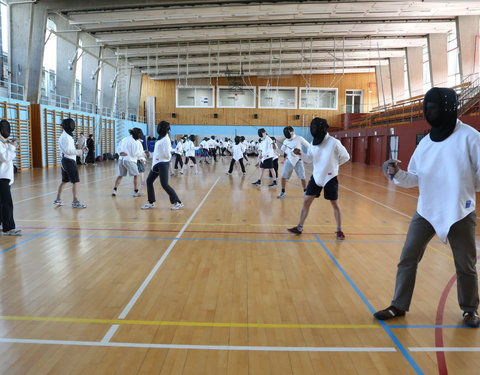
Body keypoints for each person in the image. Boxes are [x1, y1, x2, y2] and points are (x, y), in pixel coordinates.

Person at [373, 87, 480, 328]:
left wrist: (460, 184)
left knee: (465, 265)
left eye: (432, 107)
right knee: (407, 258)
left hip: (459, 212)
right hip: (427, 211)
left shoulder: (470, 137)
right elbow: (414, 178)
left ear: (447, 108)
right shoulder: (426, 142)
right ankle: (398, 305)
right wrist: (396, 174)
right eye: (426, 107)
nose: (428, 112)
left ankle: (470, 310)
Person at [287, 118, 349, 239]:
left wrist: (334, 166)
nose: (314, 129)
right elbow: (309, 159)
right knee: (306, 201)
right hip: (316, 177)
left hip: (330, 177)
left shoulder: (334, 142)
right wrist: (300, 153)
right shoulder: (312, 143)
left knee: (334, 204)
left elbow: (346, 157)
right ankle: (299, 227)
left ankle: (339, 230)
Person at [141, 121, 183, 210]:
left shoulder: (166, 140)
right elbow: (158, 152)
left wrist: (159, 158)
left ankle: (178, 202)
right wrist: (151, 154)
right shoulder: (161, 138)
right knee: (149, 181)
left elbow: (168, 155)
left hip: (162, 164)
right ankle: (151, 202)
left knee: (164, 184)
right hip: (156, 163)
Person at [54, 118, 87, 208]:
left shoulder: (66, 136)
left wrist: (80, 151)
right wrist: (80, 151)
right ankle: (75, 202)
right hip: (69, 161)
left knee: (64, 181)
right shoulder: (66, 137)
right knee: (75, 181)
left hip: (66, 160)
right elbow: (68, 150)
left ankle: (58, 199)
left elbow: (67, 150)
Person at [0, 119, 21, 235]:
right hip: (1, 177)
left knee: (2, 202)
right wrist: (12, 147)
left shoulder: (3, 142)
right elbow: (4, 157)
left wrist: (11, 145)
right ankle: (8, 228)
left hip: (4, 177)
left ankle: (2, 224)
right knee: (7, 202)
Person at [277, 126, 310, 198]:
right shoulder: (285, 141)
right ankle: (283, 192)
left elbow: (309, 146)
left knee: (302, 177)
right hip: (289, 160)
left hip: (298, 161)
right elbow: (282, 152)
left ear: (292, 133)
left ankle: (305, 191)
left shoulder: (299, 138)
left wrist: (307, 156)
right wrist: (275, 149)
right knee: (283, 177)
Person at [111, 128, 146, 197]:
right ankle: (136, 191)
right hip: (130, 160)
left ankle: (114, 190)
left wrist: (119, 153)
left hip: (121, 160)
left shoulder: (125, 139)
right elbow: (135, 154)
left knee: (120, 175)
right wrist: (143, 156)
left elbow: (119, 148)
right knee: (136, 175)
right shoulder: (135, 142)